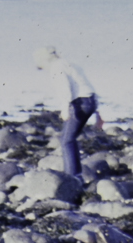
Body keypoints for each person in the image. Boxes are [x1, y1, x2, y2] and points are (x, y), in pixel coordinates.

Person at [35, 47, 101, 184]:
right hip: (90, 101)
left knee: (66, 140)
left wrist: (65, 109)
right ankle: (76, 175)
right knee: (70, 139)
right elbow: (87, 86)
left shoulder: (56, 67)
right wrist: (98, 114)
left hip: (79, 103)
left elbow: (65, 88)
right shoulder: (69, 63)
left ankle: (74, 177)